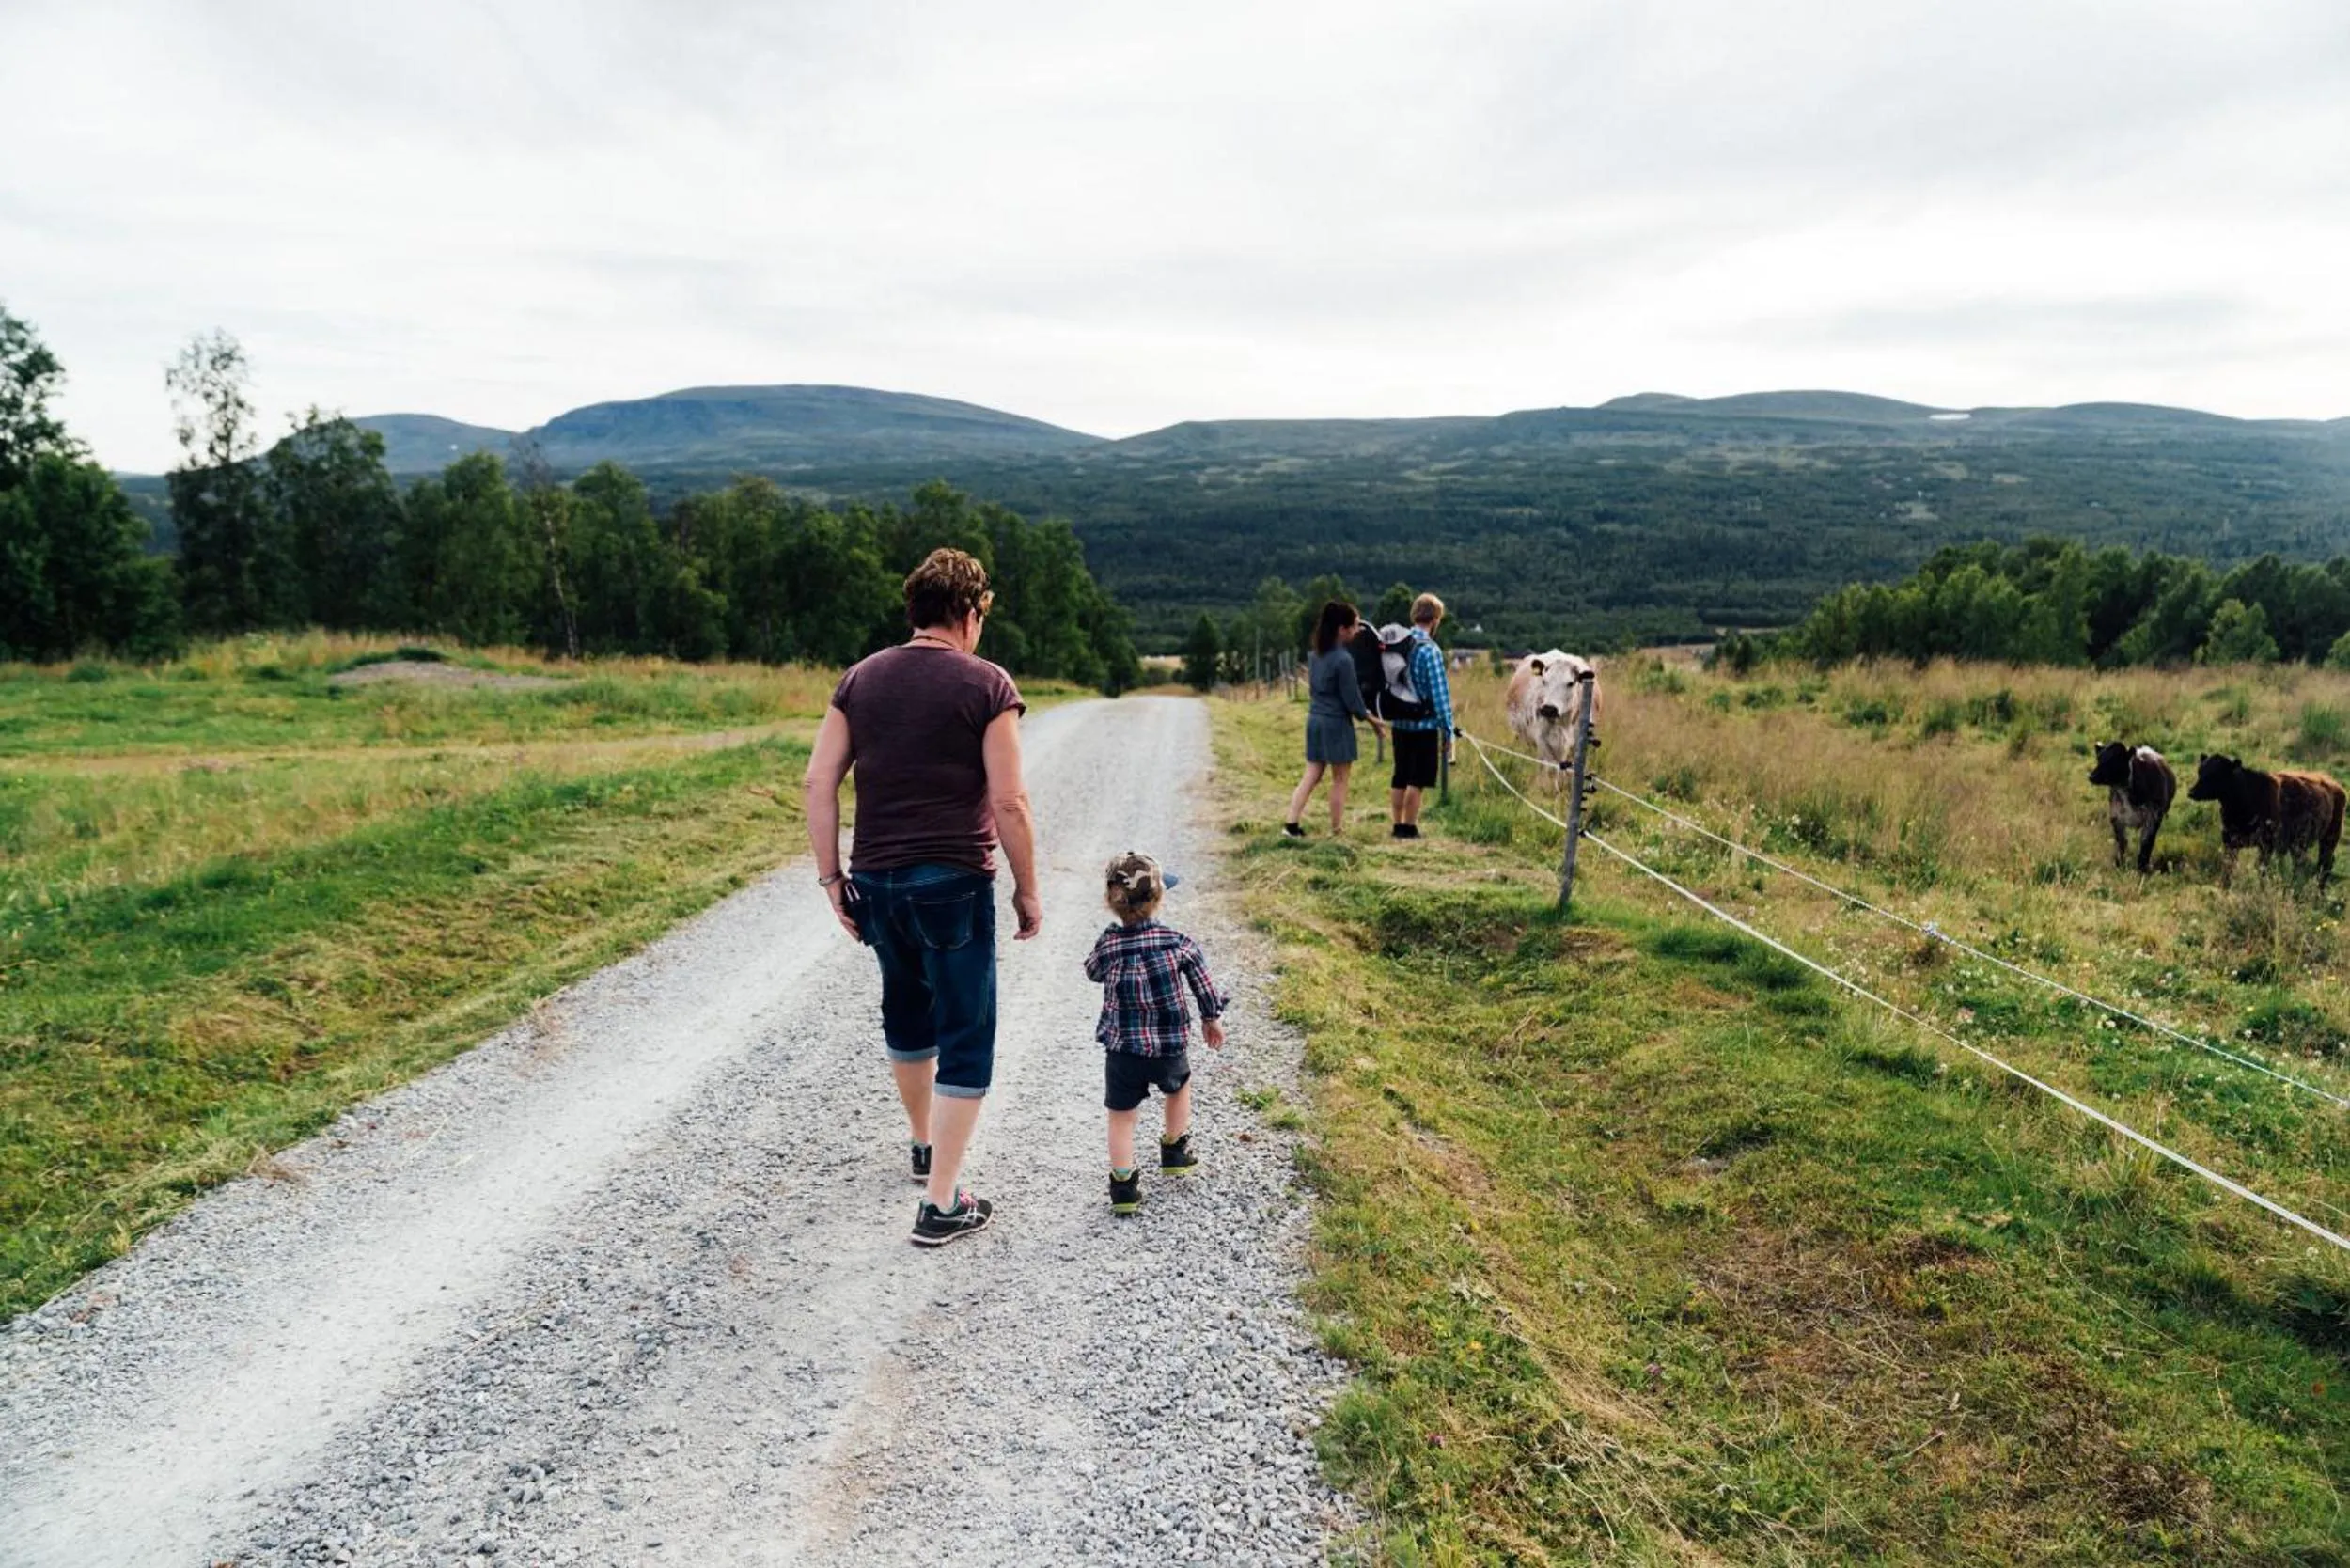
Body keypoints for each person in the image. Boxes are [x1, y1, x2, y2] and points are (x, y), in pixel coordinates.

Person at [804, 547, 1042, 1247]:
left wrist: (831, 879)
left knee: (906, 1012)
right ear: (969, 615)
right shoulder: (987, 684)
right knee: (967, 1032)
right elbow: (1010, 799)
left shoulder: (860, 679)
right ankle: (942, 1204)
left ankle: (923, 1144)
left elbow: (819, 782)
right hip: (952, 883)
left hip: (875, 880)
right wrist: (1028, 889)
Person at [1082, 852, 1227, 1215]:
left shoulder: (1109, 944)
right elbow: (1203, 984)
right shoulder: (1176, 941)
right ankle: (1175, 1150)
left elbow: (1092, 972)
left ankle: (1123, 1187)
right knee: (1178, 1088)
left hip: (1122, 1049)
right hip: (1169, 1043)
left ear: (1112, 900)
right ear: (1158, 898)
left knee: (1121, 1114)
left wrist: (1109, 954)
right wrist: (1212, 1018)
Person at [1285, 599, 1386, 837]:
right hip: (1336, 725)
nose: (1359, 630)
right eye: (1355, 626)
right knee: (1340, 779)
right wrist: (1374, 723)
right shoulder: (1343, 660)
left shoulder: (1315, 656)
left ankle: (1291, 824)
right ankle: (1337, 830)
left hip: (1315, 721)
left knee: (1311, 775)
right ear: (1342, 630)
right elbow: (1353, 702)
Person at [1386, 592, 1456, 839]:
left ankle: (1396, 825)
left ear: (1414, 615)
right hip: (1424, 725)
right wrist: (1448, 730)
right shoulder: (1430, 650)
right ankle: (1409, 826)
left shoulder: (1395, 645)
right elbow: (1440, 695)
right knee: (1418, 778)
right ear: (1435, 619)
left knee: (1400, 774)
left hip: (1399, 722)